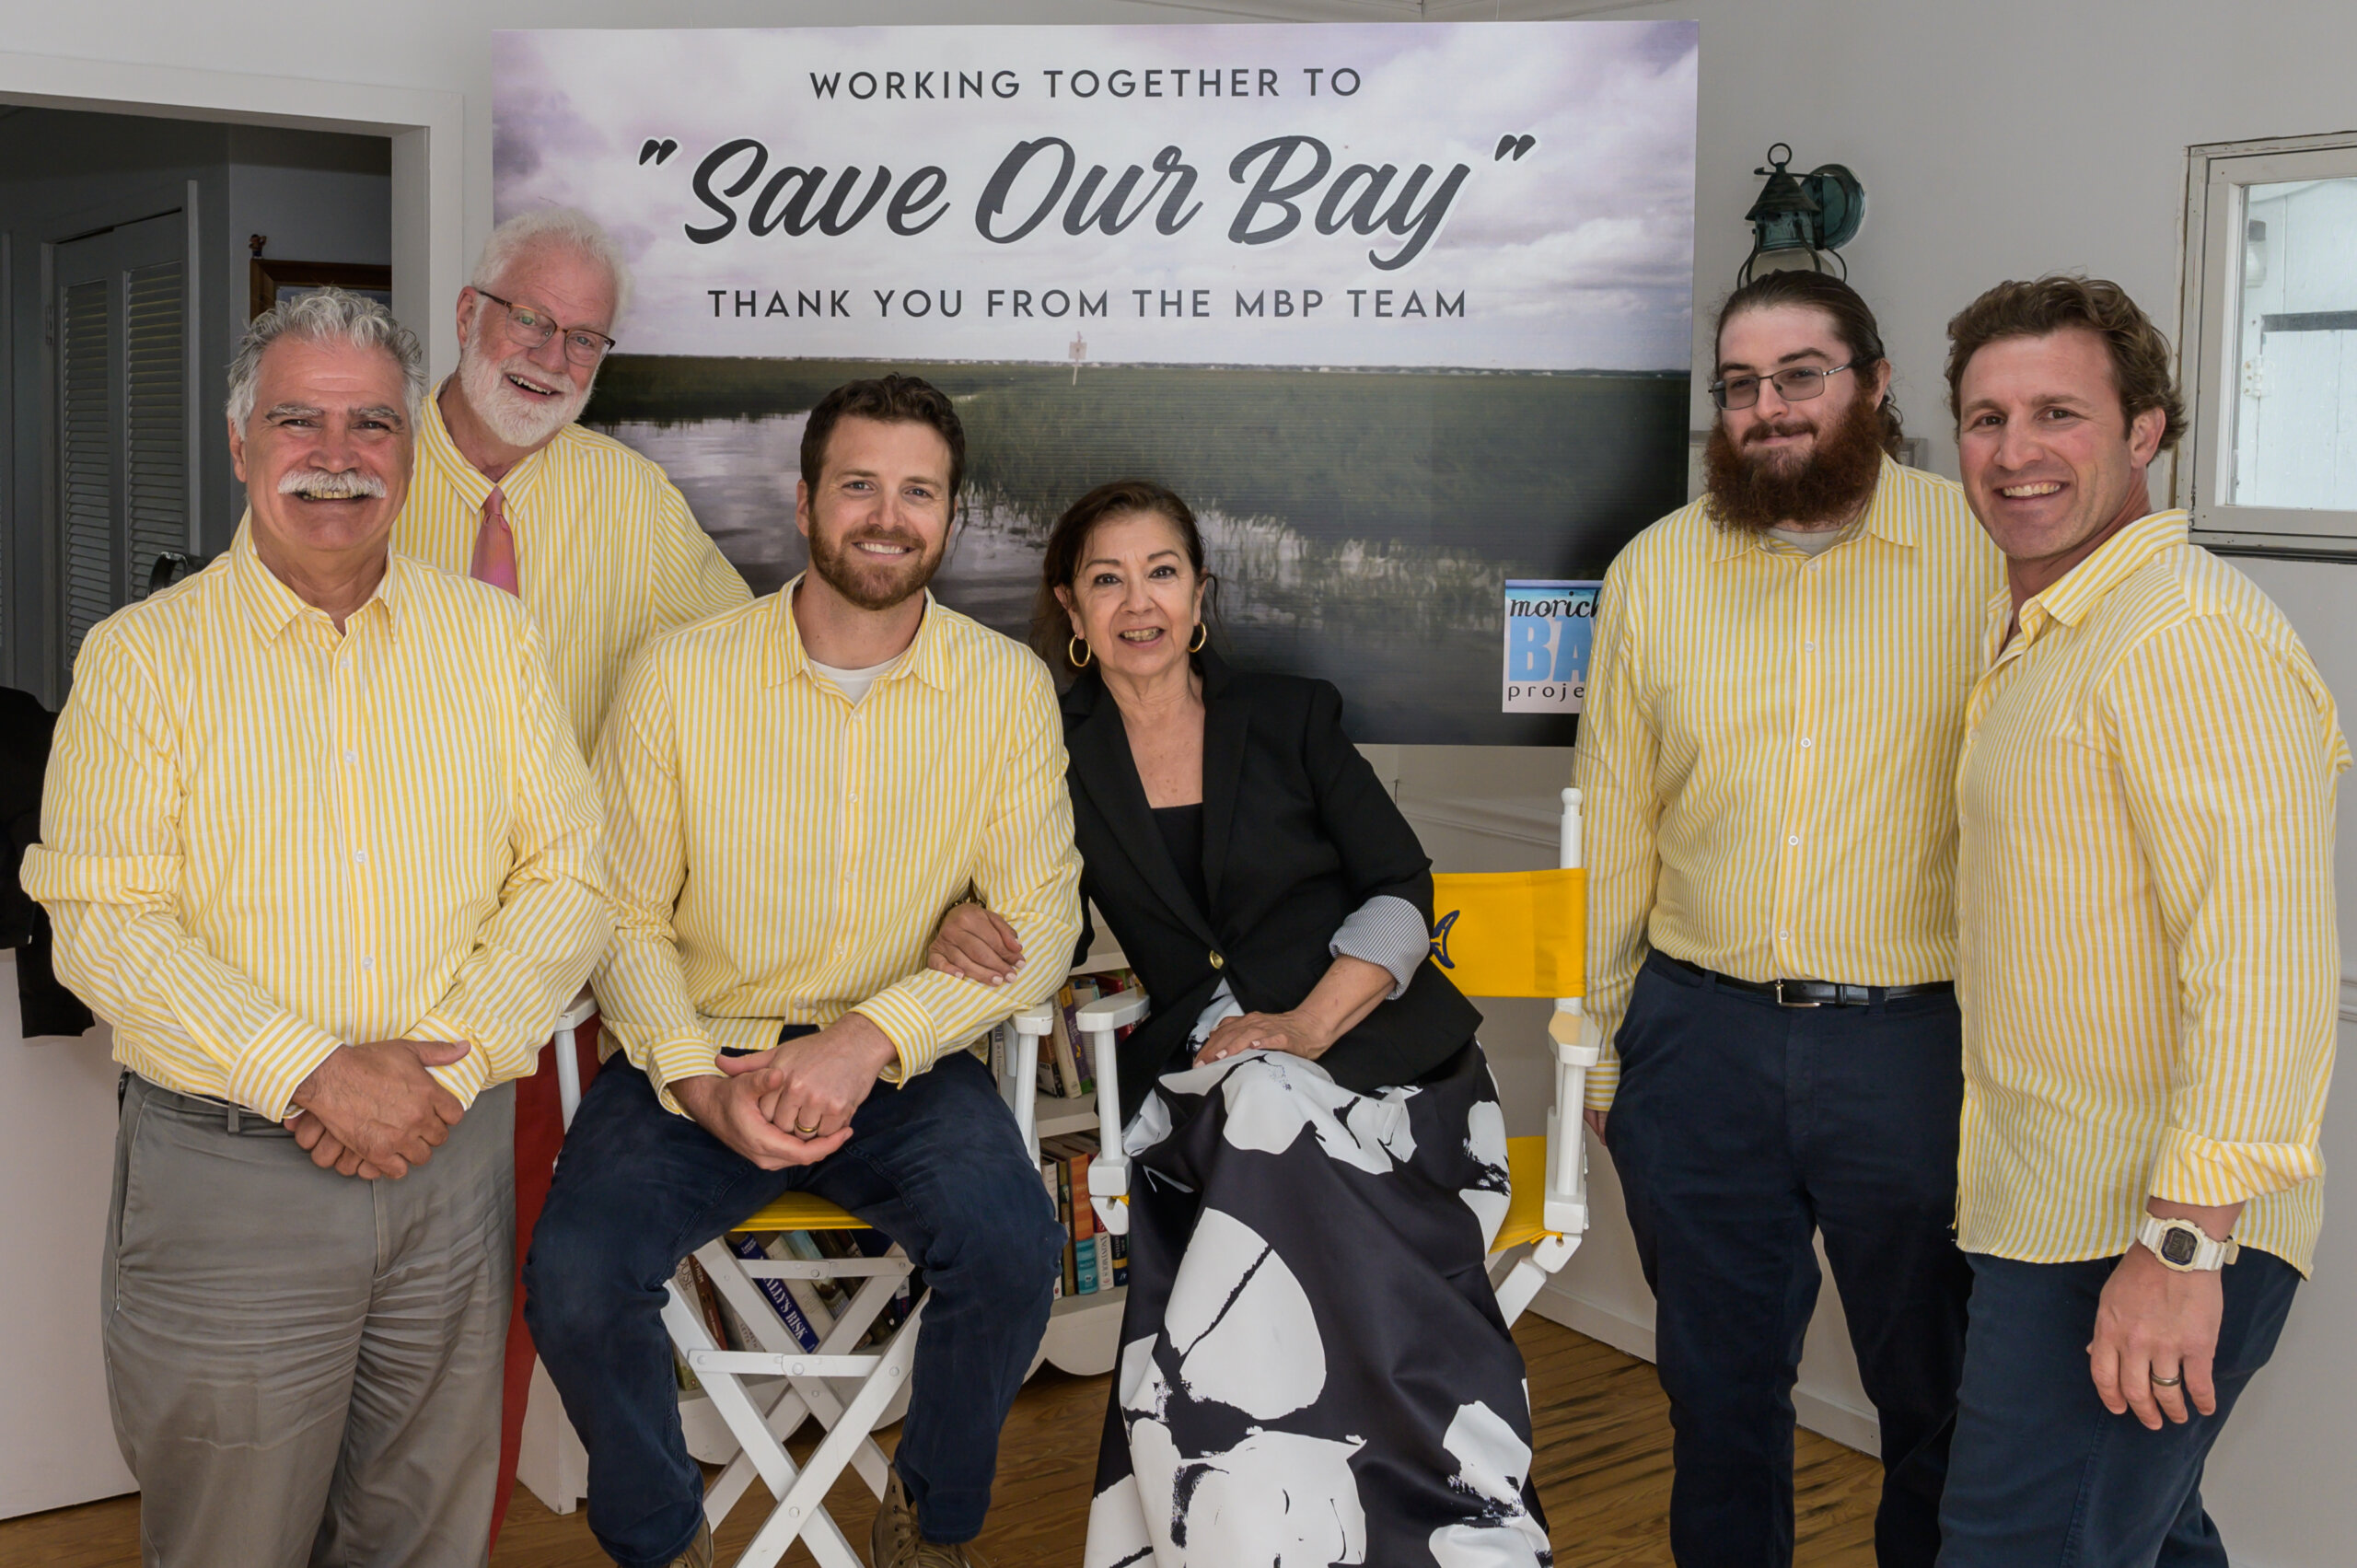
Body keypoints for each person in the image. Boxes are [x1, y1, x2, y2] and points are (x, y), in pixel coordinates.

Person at [23, 288, 609, 1568]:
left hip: (449, 1162)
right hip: (234, 1178)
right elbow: (102, 925)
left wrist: (444, 1060)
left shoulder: (493, 641)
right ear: (240, 443)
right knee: (231, 1540)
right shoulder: (140, 660)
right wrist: (320, 1071)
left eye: (373, 425)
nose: (336, 456)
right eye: (299, 420)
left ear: (411, 451)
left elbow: (572, 874)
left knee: (426, 1530)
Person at [928, 480, 1550, 1567]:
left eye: (1161, 571)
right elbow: (1050, 930)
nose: (1138, 602)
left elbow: (1402, 885)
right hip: (1210, 1074)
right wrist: (961, 916)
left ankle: (1414, 1517)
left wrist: (1308, 1021)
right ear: (1069, 609)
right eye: (1106, 578)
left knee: (1271, 1100)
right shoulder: (1046, 754)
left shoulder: (1288, 714)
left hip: (1386, 1062)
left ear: (1199, 592)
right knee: (1255, 1100)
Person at [524, 374, 1081, 1568]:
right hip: (702, 1044)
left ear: (952, 515)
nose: (888, 514)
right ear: (805, 502)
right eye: (860, 485)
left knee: (1015, 1249)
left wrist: (868, 1036)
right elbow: (622, 915)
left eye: (918, 490)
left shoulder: (1005, 691)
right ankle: (665, 1539)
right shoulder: (677, 674)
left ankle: (930, 1520)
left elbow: (1043, 918)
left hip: (901, 1069)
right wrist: (695, 1078)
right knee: (572, 1279)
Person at [1574, 270, 2003, 1566]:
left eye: (1801, 374)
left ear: (1873, 381)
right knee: (1717, 1400)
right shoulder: (1657, 567)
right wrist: (1598, 1045)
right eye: (1741, 384)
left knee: (1939, 1403)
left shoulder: (1985, 555)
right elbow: (1613, 822)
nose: (1769, 409)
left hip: (1918, 1051)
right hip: (1698, 1044)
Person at [1937, 276, 2344, 1564]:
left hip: (2142, 1223)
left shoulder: (2182, 637)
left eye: (2059, 411)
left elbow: (2265, 961)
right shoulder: (2061, 629)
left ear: (2147, 431)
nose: (2015, 451)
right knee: (2151, 1540)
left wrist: (2180, 1245)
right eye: (1986, 416)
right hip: (2052, 1198)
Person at [394, 206, 751, 1531]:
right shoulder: (365, 462)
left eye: (584, 336)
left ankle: (471, 1535)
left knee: (528, 1284)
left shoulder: (628, 495)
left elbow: (745, 674)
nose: (550, 355)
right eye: (531, 319)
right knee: (391, 1303)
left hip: (559, 978)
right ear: (473, 306)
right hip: (383, 965)